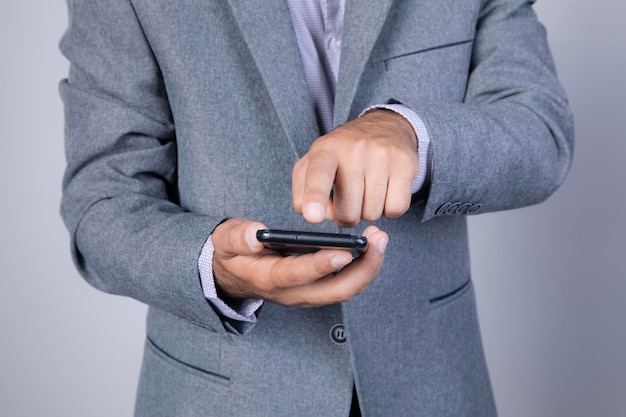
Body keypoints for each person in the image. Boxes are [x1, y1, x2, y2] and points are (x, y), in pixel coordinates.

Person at [59, 0, 574, 416]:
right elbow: (102, 200)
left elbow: (540, 131)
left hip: (432, 386)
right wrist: (212, 267)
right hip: (220, 397)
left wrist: (412, 135)